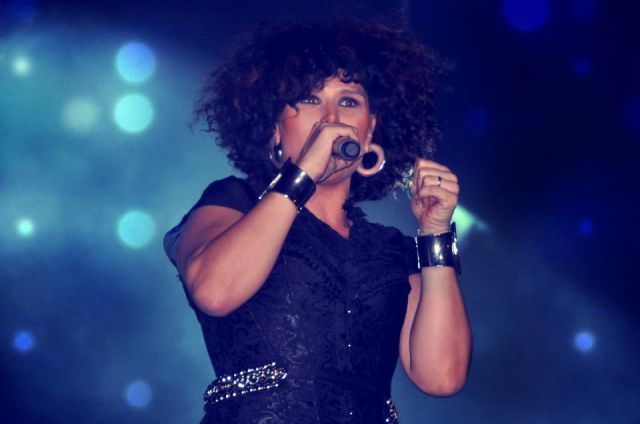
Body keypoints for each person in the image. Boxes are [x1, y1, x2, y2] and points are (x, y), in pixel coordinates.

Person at [163, 20, 471, 424]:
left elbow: (442, 376)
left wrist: (435, 233)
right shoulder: (233, 202)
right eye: (309, 99)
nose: (331, 118)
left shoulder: (392, 250)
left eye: (349, 102)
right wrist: (303, 173)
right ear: (275, 128)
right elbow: (214, 291)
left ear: (370, 129)